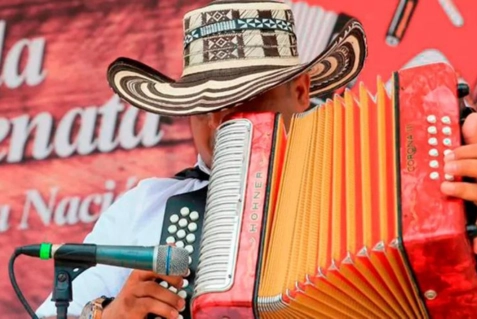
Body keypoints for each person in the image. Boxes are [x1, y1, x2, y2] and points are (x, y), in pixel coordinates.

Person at [35, 0, 477, 318]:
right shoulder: (145, 207)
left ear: (301, 90)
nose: (219, 124)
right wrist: (109, 315)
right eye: (203, 107)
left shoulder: (397, 169)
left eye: (243, 100)